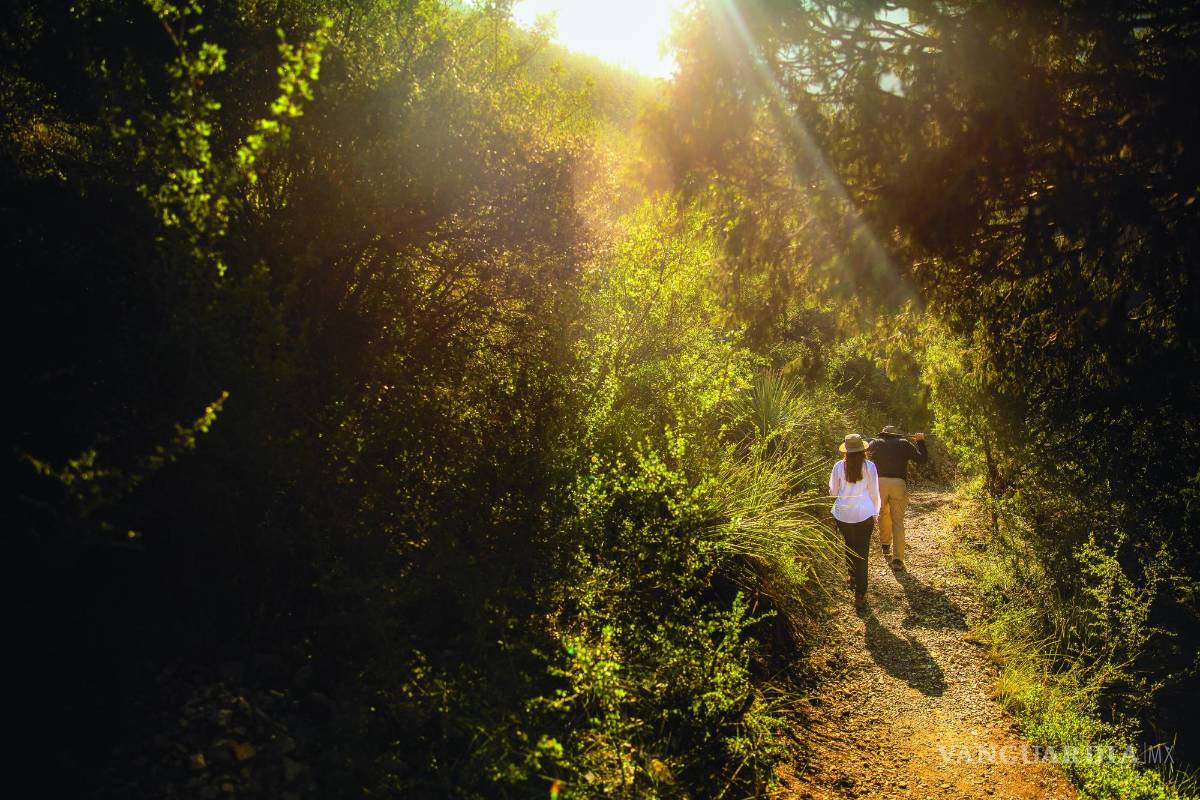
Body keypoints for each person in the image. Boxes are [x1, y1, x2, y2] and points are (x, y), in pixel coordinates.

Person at [829, 433, 881, 610]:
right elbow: (874, 492)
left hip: (843, 514)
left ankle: (851, 575)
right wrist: (876, 511)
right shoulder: (870, 467)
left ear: (846, 450)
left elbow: (833, 492)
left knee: (849, 544)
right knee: (862, 552)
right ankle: (860, 594)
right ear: (863, 449)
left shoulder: (838, 467)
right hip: (864, 513)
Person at [867, 425, 928, 569]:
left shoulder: (875, 443)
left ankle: (885, 544)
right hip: (898, 483)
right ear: (897, 435)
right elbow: (922, 459)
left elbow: (864, 456)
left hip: (880, 483)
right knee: (898, 521)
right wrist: (920, 441)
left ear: (883, 434)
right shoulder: (904, 444)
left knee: (883, 513)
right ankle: (898, 559)